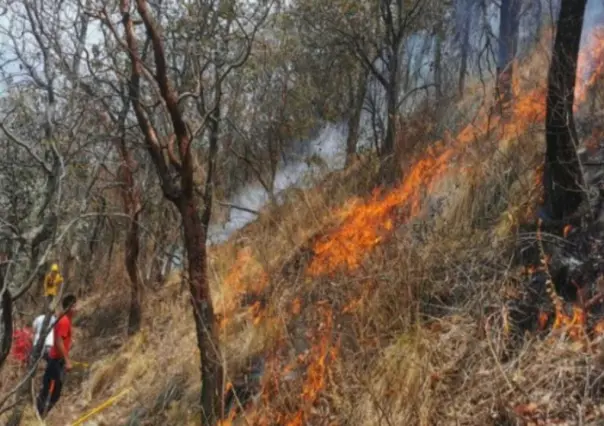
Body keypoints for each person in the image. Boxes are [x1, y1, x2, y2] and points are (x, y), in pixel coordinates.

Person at [36, 293, 77, 419]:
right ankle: (38, 416)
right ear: (69, 307)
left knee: (52, 391)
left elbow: (62, 339)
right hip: (55, 361)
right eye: (75, 306)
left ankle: (39, 415)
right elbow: (59, 341)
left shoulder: (65, 319)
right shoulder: (64, 321)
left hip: (57, 360)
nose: (77, 309)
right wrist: (67, 360)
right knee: (51, 392)